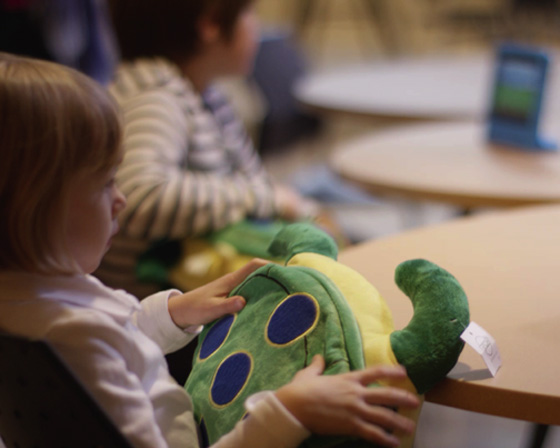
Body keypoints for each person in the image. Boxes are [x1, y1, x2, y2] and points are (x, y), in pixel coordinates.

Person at [0, 52, 419, 448]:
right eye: (104, 183)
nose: (121, 199)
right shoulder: (80, 339)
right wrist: (289, 412)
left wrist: (173, 312)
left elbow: (112, 335)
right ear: (35, 204)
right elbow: (100, 342)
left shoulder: (33, 300)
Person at [95, 0, 328, 298]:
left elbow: (251, 178)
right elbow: (138, 195)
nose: (256, 25)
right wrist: (265, 199)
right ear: (211, 25)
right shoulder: (156, 98)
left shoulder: (203, 91)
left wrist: (302, 210)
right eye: (248, 12)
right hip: (159, 313)